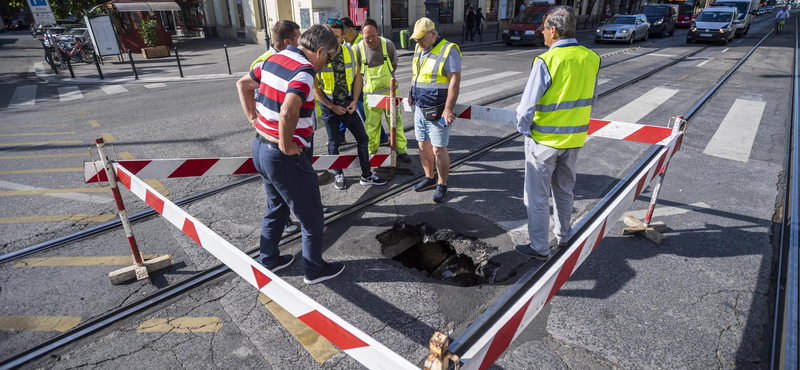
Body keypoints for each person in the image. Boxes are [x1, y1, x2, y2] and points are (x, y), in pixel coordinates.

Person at [235, 24, 345, 284]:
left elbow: (243, 84)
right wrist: (285, 145)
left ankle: (269, 260)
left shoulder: (275, 57)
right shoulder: (304, 71)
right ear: (319, 51)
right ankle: (314, 270)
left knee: (277, 207)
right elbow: (288, 112)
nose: (327, 64)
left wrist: (253, 118)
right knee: (312, 215)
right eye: (329, 58)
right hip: (282, 156)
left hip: (260, 148)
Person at [513, 6, 600, 261]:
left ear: (553, 30)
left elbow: (525, 109)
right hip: (574, 140)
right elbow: (591, 98)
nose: (541, 34)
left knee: (537, 198)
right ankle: (564, 236)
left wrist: (525, 131)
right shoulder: (591, 57)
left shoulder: (547, 60)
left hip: (543, 141)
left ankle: (539, 248)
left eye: (543, 29)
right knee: (564, 191)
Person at [314, 19, 388, 190]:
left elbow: (357, 79)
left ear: (343, 36)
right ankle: (338, 173)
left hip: (348, 104)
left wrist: (355, 101)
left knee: (363, 138)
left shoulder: (350, 52)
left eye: (337, 36)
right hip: (329, 106)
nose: (333, 40)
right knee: (334, 142)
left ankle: (366, 175)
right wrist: (332, 106)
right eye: (330, 36)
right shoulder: (319, 56)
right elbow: (315, 88)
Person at [248, 20, 303, 234]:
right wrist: (253, 118)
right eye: (298, 39)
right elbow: (247, 88)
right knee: (278, 187)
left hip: (294, 130)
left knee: (291, 182)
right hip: (277, 133)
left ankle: (294, 212)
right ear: (288, 41)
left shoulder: (292, 58)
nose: (301, 44)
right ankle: (286, 219)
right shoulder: (264, 61)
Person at [408, 18, 462, 203]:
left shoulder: (449, 50)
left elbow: (455, 80)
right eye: (416, 40)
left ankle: (442, 184)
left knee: (439, 149)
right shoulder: (419, 48)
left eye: (422, 38)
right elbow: (416, 74)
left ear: (433, 33)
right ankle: (429, 177)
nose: (419, 43)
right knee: (423, 147)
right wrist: (410, 93)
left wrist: (449, 109)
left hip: (438, 109)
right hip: (420, 107)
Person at [354, 18, 411, 163]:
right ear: (362, 34)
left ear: (377, 32)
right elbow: (358, 74)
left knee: (397, 124)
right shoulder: (358, 49)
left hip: (391, 94)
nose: (371, 40)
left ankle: (401, 151)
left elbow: (393, 66)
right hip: (371, 97)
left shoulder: (388, 44)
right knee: (371, 128)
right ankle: (371, 154)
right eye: (367, 37)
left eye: (373, 36)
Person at [341, 17, 390, 147]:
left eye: (344, 34)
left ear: (352, 30)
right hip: (351, 86)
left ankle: (381, 138)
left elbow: (391, 65)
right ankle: (340, 136)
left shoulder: (361, 43)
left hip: (365, 87)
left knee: (368, 117)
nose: (342, 37)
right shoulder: (345, 45)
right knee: (348, 112)